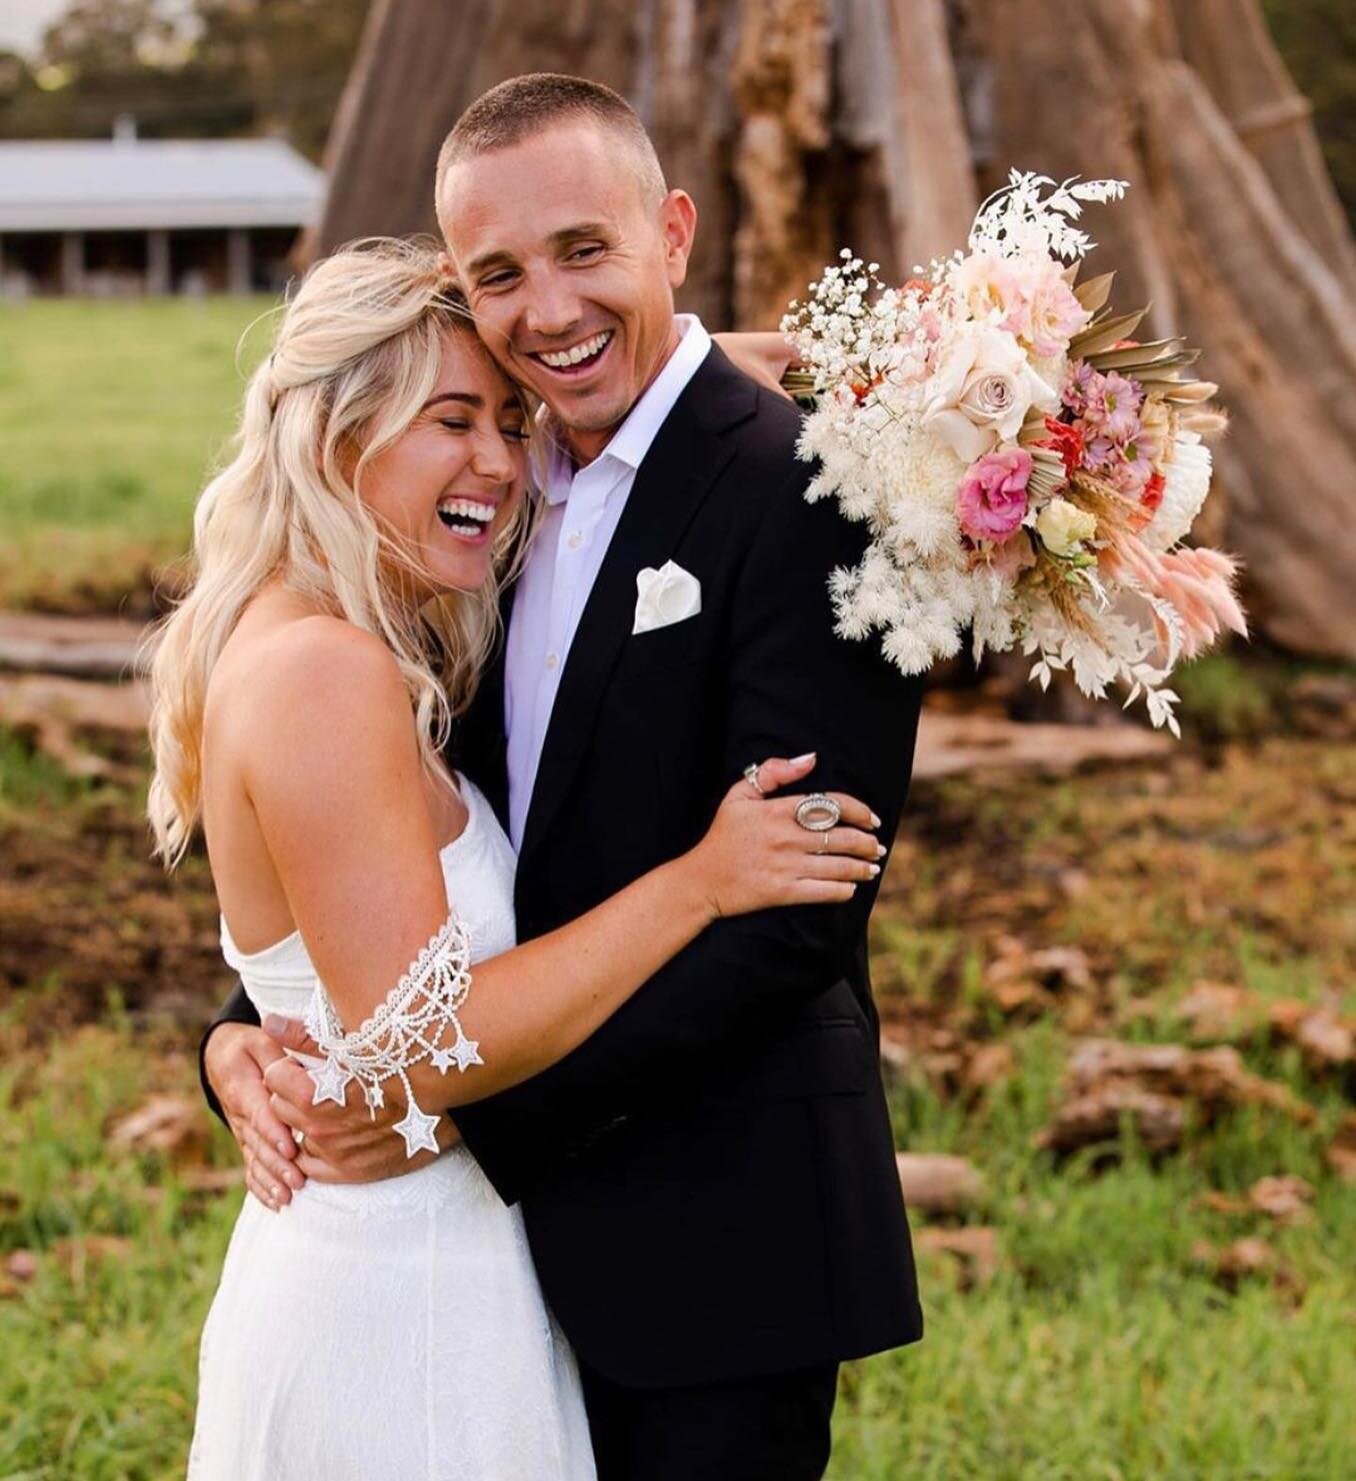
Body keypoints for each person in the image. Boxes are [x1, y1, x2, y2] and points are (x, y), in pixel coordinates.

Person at [198, 74, 925, 1481]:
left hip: (716, 1243)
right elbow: (386, 843)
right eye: (500, 276)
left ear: (672, 232)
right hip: (483, 1273)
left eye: (585, 250)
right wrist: (253, 1031)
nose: (548, 310)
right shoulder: (480, 511)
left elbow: (794, 916)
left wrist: (451, 1104)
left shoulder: (817, 484)